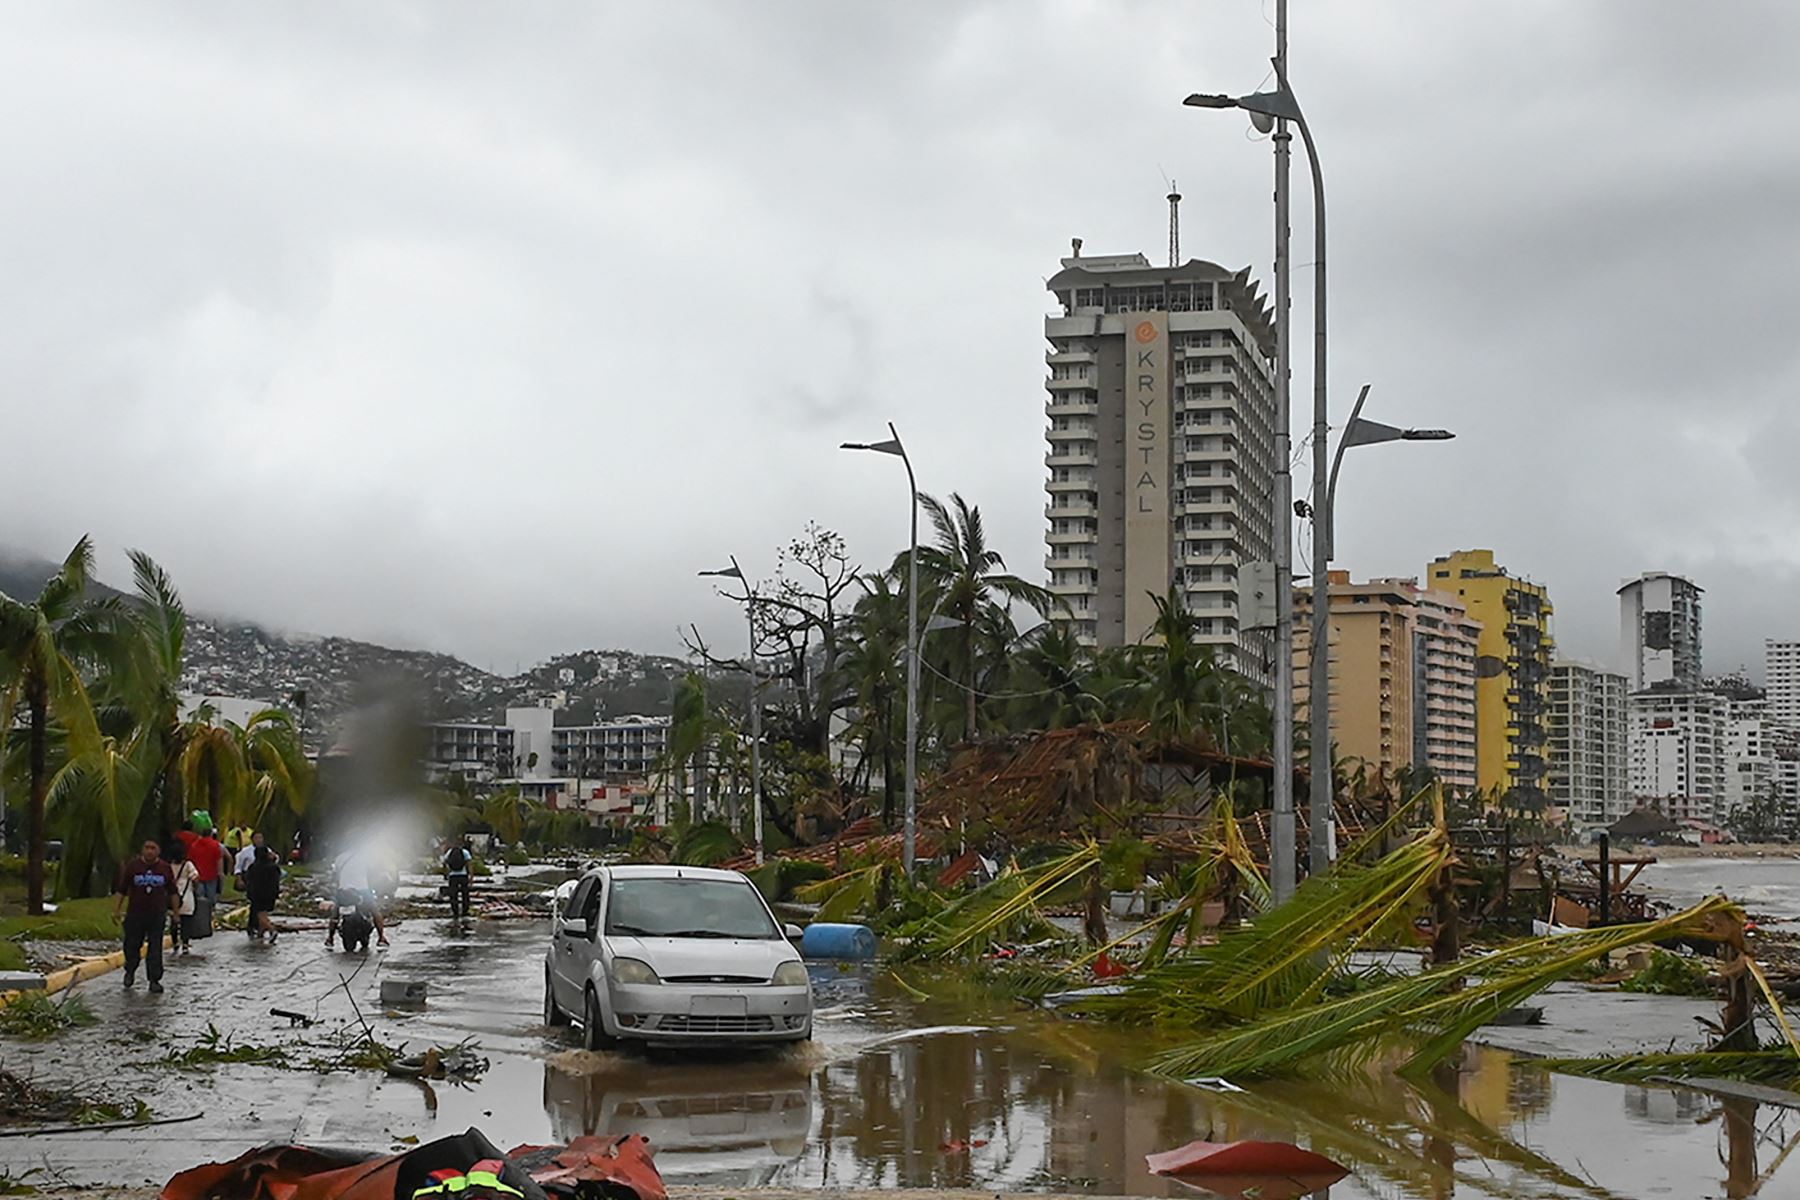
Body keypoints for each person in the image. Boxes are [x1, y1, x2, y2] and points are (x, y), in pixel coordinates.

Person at [113, 839, 177, 993]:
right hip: (135, 914)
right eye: (147, 848)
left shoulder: (164, 868)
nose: (149, 851)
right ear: (142, 850)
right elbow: (122, 889)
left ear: (158, 851)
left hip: (156, 915)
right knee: (132, 945)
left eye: (153, 848)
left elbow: (173, 892)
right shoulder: (133, 866)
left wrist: (176, 913)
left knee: (155, 948)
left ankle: (154, 980)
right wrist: (116, 910)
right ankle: (130, 970)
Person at [333, 848, 389, 947]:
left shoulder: (340, 858)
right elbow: (373, 875)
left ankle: (330, 938)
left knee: (335, 914)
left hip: (343, 891)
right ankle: (381, 937)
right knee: (374, 911)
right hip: (362, 890)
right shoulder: (366, 858)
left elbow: (336, 875)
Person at [166, 840, 199, 956]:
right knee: (186, 921)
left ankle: (175, 942)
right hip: (186, 895)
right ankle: (185, 943)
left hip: (171, 896)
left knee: (173, 920)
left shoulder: (168, 866)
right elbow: (195, 878)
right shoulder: (188, 865)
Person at [244, 845, 282, 944]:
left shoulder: (253, 867)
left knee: (260, 914)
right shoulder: (273, 867)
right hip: (271, 894)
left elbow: (249, 881)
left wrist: (248, 893)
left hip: (257, 894)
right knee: (264, 913)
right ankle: (260, 934)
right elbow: (277, 880)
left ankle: (272, 930)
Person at [442, 835, 473, 920]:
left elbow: (444, 863)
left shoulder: (450, 852)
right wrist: (471, 876)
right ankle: (465, 911)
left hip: (453, 876)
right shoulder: (465, 852)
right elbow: (469, 865)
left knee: (453, 895)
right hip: (463, 875)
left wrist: (446, 874)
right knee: (465, 894)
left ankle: (455, 912)